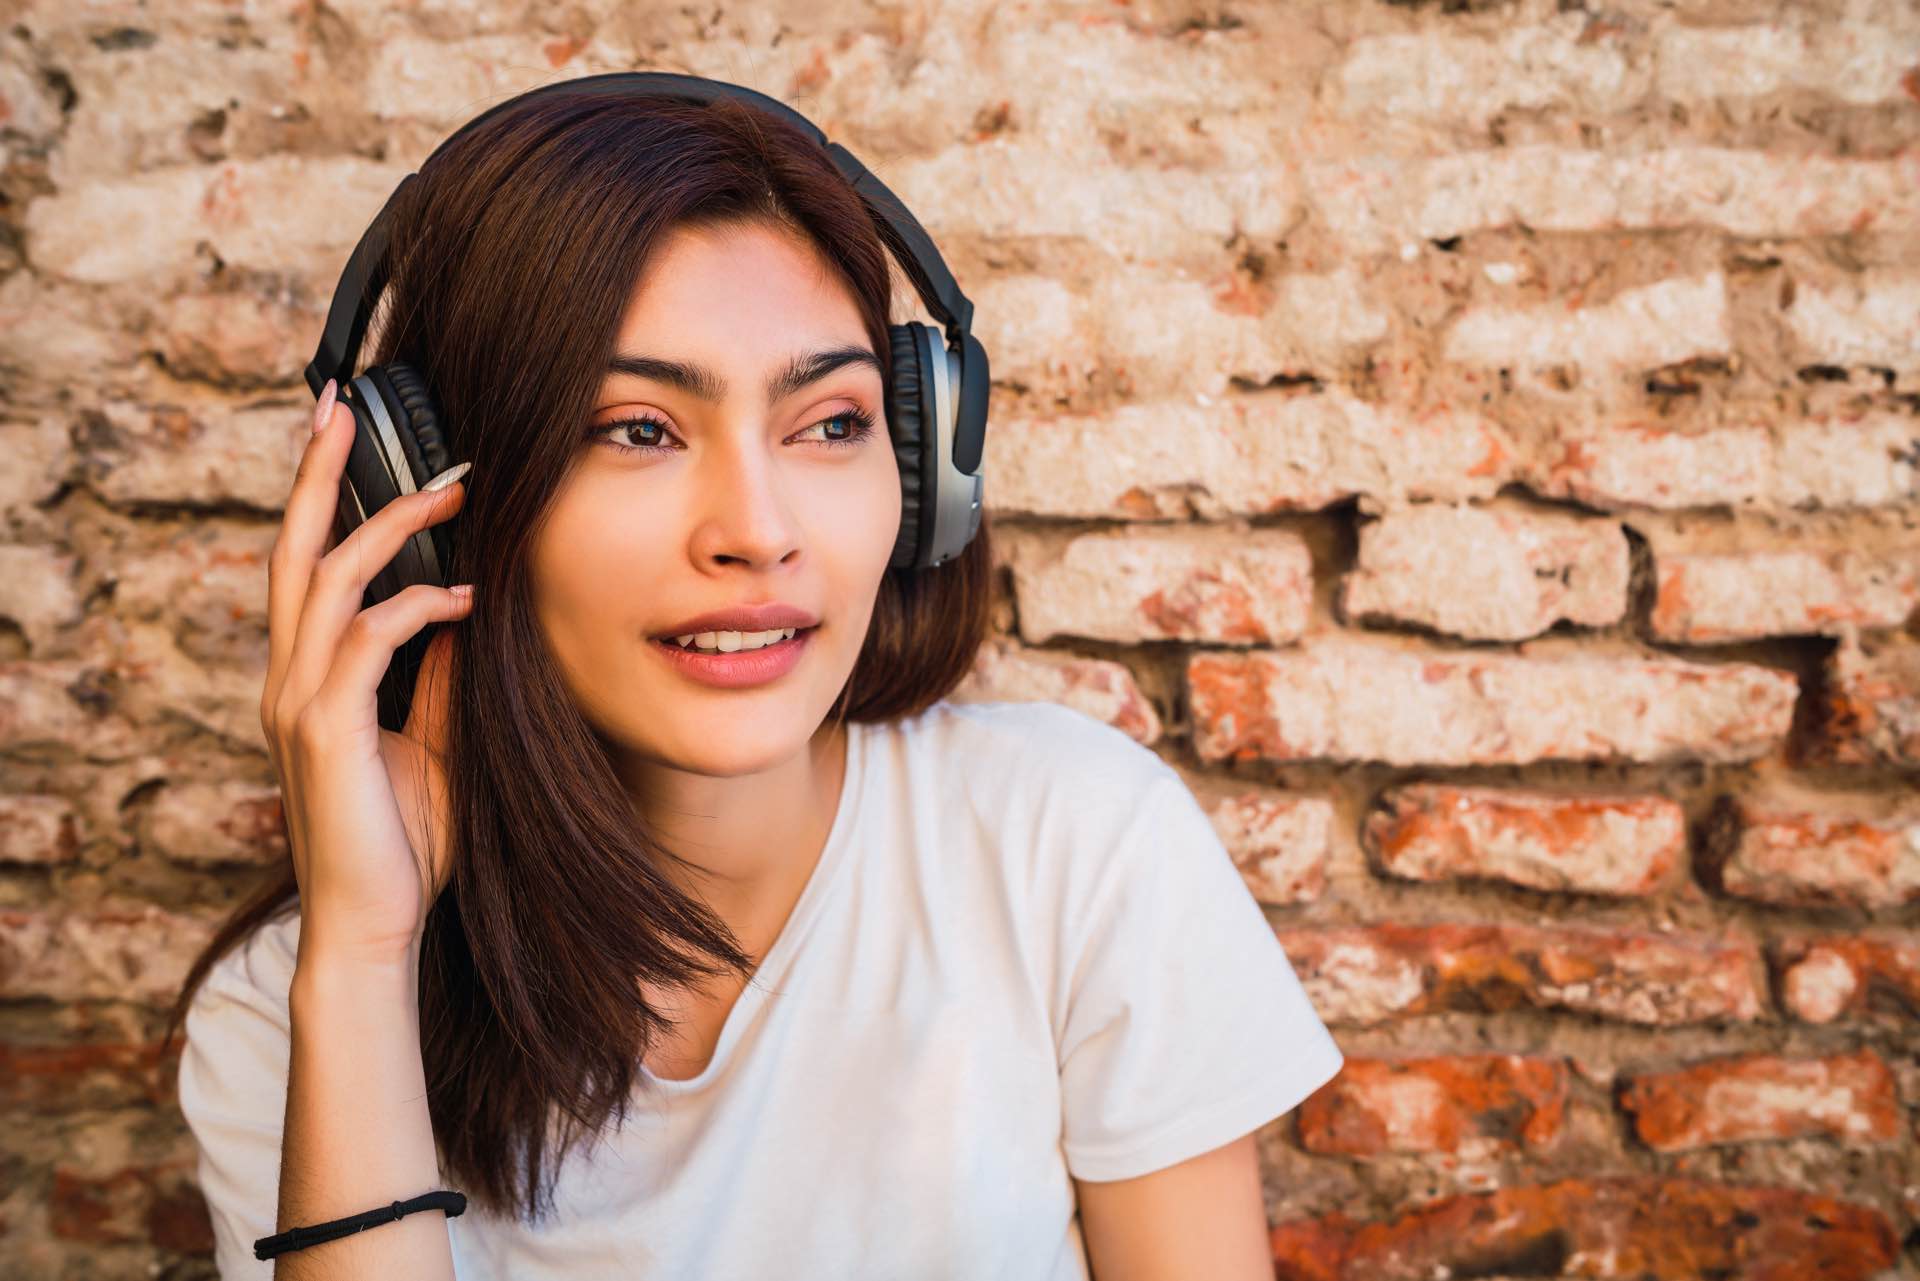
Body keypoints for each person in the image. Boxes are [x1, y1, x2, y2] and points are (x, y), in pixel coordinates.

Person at [163, 81, 1344, 1280]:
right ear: (426, 507)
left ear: (927, 468)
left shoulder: (1071, 847)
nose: (759, 532)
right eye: (635, 429)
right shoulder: (294, 1012)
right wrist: (366, 957)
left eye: (830, 423)